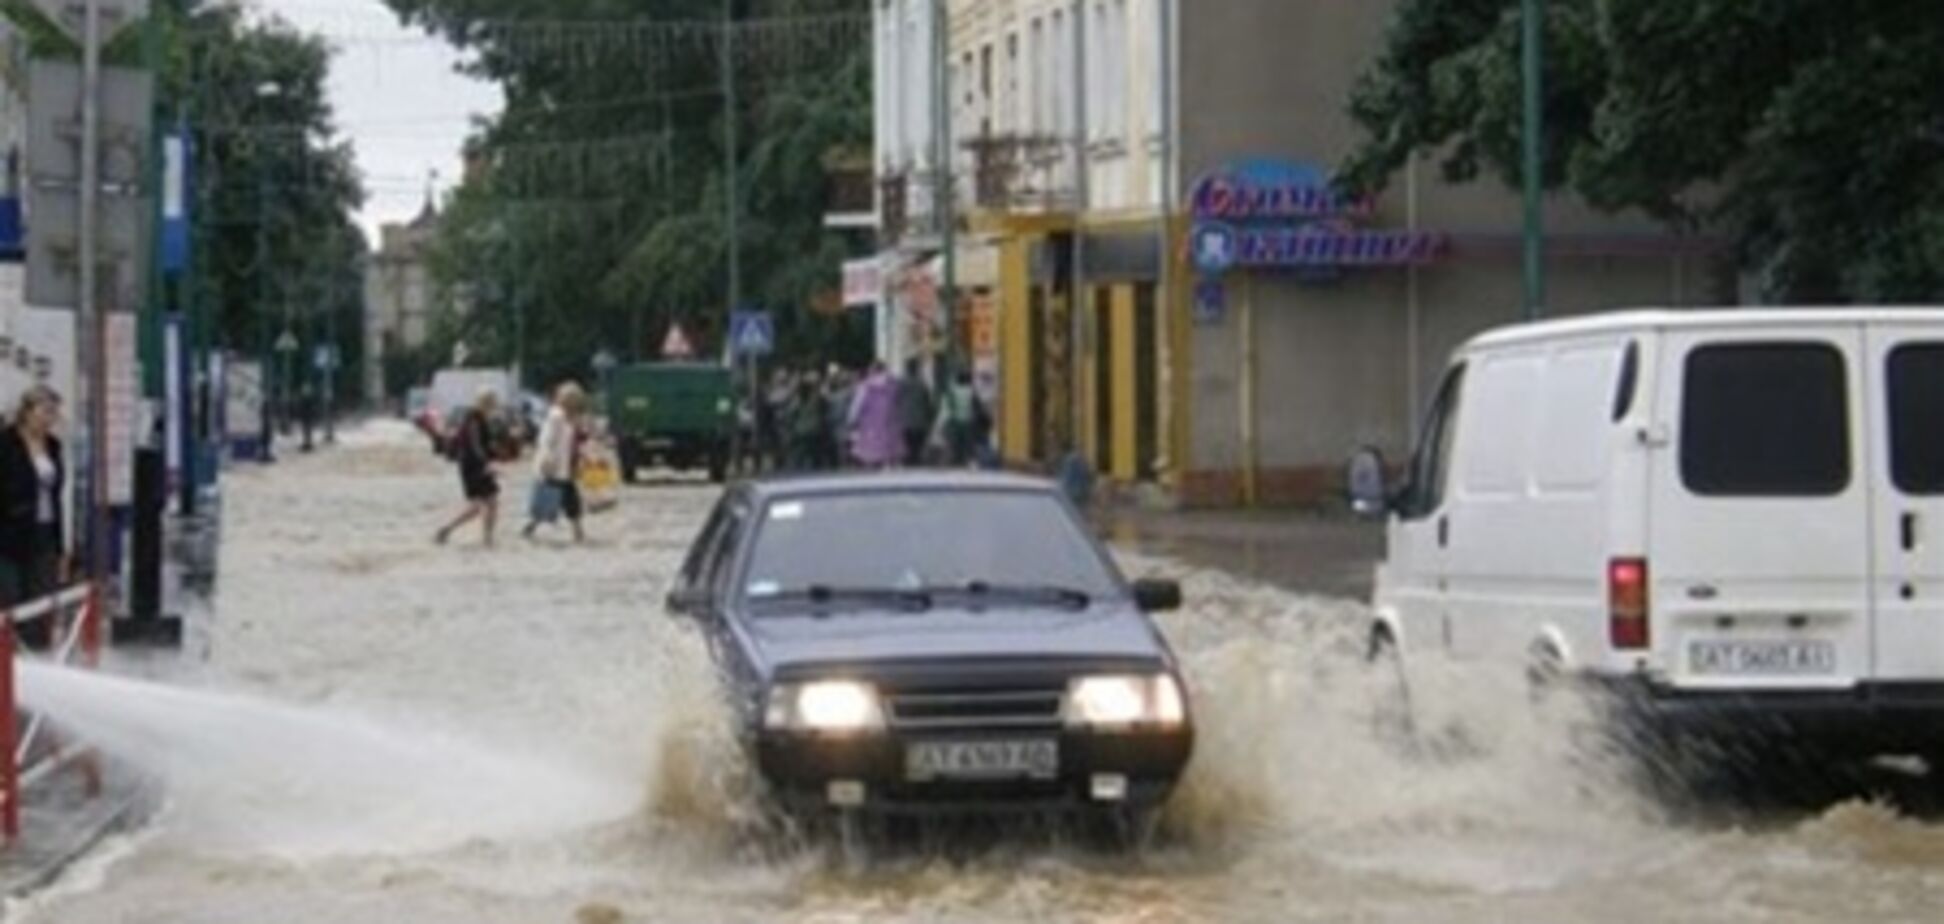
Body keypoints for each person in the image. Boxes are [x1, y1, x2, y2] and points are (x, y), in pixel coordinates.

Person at [0, 387, 66, 613]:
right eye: (45, 411)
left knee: (40, 597)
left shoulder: (53, 445)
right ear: (27, 412)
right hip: (10, 531)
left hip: (44, 528)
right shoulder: (6, 443)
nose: (50, 418)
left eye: (54, 412)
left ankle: (37, 643)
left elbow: (56, 495)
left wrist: (60, 545)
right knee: (12, 595)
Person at [435, 389, 503, 547]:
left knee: (491, 502)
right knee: (478, 506)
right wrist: (486, 464)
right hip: (472, 466)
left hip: (475, 464)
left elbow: (482, 444)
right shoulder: (473, 418)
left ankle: (487, 538)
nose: (494, 407)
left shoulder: (481, 418)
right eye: (492, 403)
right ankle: (446, 529)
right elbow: (475, 445)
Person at [522, 382, 589, 543]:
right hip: (555, 465)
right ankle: (533, 526)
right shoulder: (556, 416)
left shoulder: (570, 417)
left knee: (565, 499)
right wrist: (547, 460)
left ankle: (576, 532)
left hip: (565, 466)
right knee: (553, 499)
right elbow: (547, 440)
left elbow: (576, 440)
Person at [847, 361, 901, 470]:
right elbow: (898, 402)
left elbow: (858, 404)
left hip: (869, 422)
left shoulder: (866, 386)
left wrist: (852, 419)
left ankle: (873, 466)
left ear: (872, 371)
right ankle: (888, 464)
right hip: (889, 420)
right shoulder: (892, 385)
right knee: (888, 443)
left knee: (872, 449)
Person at [932, 370, 984, 467]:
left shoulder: (951, 391)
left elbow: (947, 409)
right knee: (968, 445)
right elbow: (977, 406)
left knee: (952, 445)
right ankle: (970, 462)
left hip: (954, 422)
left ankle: (951, 462)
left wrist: (941, 424)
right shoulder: (972, 392)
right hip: (969, 422)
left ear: (957, 380)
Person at [785, 372, 830, 472]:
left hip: (801, 431)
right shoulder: (818, 398)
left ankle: (798, 471)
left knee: (800, 456)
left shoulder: (797, 400)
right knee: (815, 455)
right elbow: (826, 407)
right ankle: (816, 470)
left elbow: (790, 414)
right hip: (815, 430)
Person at [895, 359, 935, 467]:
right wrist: (930, 419)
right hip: (920, 422)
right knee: (917, 447)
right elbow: (928, 404)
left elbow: (895, 402)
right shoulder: (922, 385)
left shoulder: (900, 384)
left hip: (904, 422)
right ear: (917, 370)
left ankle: (908, 463)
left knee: (907, 447)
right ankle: (915, 463)